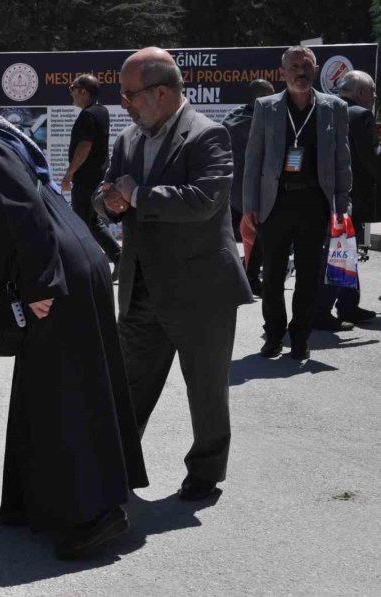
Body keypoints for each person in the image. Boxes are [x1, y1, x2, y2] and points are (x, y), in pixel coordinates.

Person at [0, 99, 148, 560]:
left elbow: (24, 212)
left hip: (57, 275)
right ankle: (33, 501)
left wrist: (40, 284)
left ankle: (99, 513)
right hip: (67, 264)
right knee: (40, 390)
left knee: (70, 390)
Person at [93, 47, 251, 502]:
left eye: (129, 95)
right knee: (128, 386)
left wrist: (138, 195)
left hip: (199, 290)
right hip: (142, 288)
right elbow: (105, 195)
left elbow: (205, 200)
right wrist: (111, 203)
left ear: (161, 92)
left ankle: (205, 471)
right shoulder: (128, 139)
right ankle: (116, 465)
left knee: (205, 389)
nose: (123, 103)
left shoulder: (208, 135)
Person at [243, 46, 352, 359]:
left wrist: (343, 204)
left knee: (308, 275)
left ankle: (300, 338)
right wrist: (250, 202)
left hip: (315, 202)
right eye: (294, 66)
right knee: (273, 275)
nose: (300, 72)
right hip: (274, 202)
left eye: (306, 66)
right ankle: (273, 335)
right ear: (282, 72)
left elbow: (342, 160)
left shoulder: (334, 107)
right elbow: (253, 158)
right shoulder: (266, 106)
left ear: (315, 70)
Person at [314, 70, 379, 326]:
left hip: (325, 191)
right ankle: (320, 311)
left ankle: (349, 305)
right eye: (372, 91)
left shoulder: (324, 108)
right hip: (350, 195)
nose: (374, 96)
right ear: (361, 92)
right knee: (339, 252)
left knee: (346, 250)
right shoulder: (361, 115)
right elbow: (373, 160)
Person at [61, 74, 122, 280]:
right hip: (95, 176)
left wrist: (69, 174)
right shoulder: (101, 111)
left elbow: (85, 146)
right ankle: (116, 257)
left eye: (73, 88)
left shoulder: (88, 115)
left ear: (84, 91)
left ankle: (90, 264)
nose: (71, 92)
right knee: (90, 220)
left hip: (86, 179)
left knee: (83, 221)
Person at [222, 79, 275, 296]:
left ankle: (241, 275)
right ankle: (250, 277)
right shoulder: (265, 120)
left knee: (240, 237)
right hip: (255, 189)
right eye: (272, 93)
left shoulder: (232, 117)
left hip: (233, 189)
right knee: (261, 235)